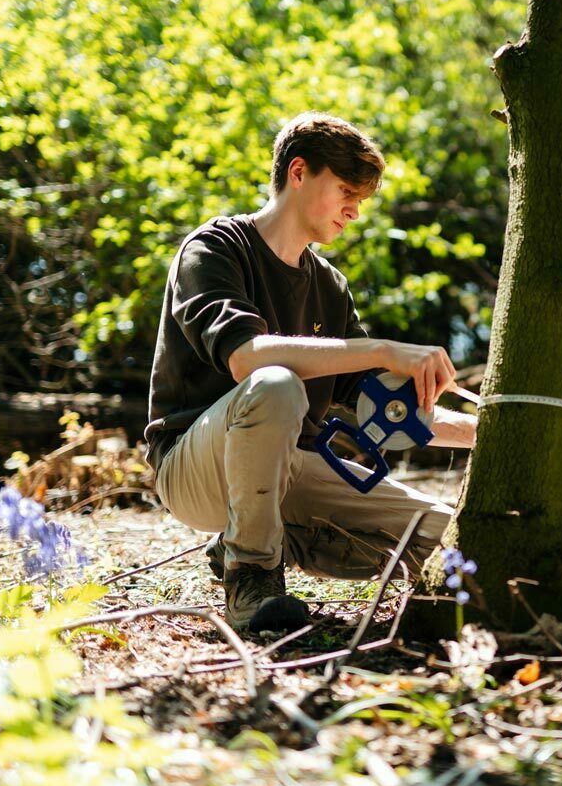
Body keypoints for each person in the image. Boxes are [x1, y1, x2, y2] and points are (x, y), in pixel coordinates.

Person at [144, 112, 476, 635]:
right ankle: (251, 575)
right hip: (194, 468)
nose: (354, 212)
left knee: (454, 541)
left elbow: (380, 408)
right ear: (299, 173)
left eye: (361, 200)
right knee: (276, 383)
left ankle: (260, 538)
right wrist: (383, 349)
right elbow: (246, 358)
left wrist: (488, 432)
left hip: (290, 466)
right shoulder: (213, 249)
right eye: (346, 191)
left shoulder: (329, 286)